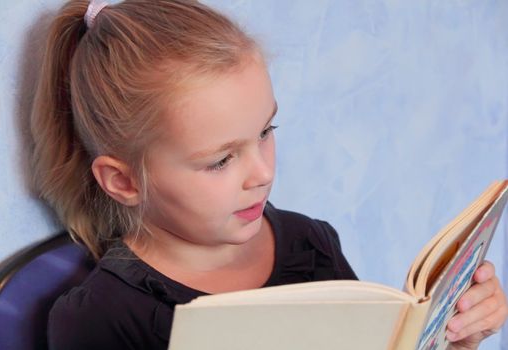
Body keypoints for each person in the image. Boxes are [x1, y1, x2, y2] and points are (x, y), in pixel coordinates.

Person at [29, 0, 507, 349]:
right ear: (124, 182)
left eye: (265, 131)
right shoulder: (103, 319)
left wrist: (455, 340)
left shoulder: (310, 244)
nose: (262, 172)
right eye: (220, 160)